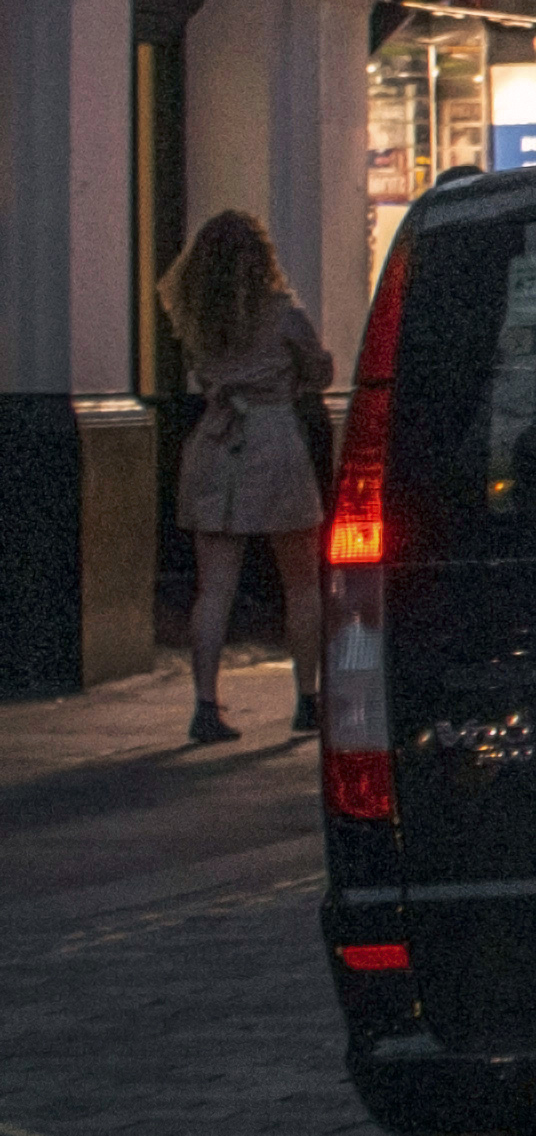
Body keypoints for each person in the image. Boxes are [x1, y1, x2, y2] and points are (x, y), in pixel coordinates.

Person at [156, 209, 336, 748]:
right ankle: (308, 698)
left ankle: (205, 706)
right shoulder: (282, 314)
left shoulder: (196, 316)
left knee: (214, 590)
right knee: (301, 582)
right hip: (275, 441)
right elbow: (321, 370)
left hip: (215, 441)